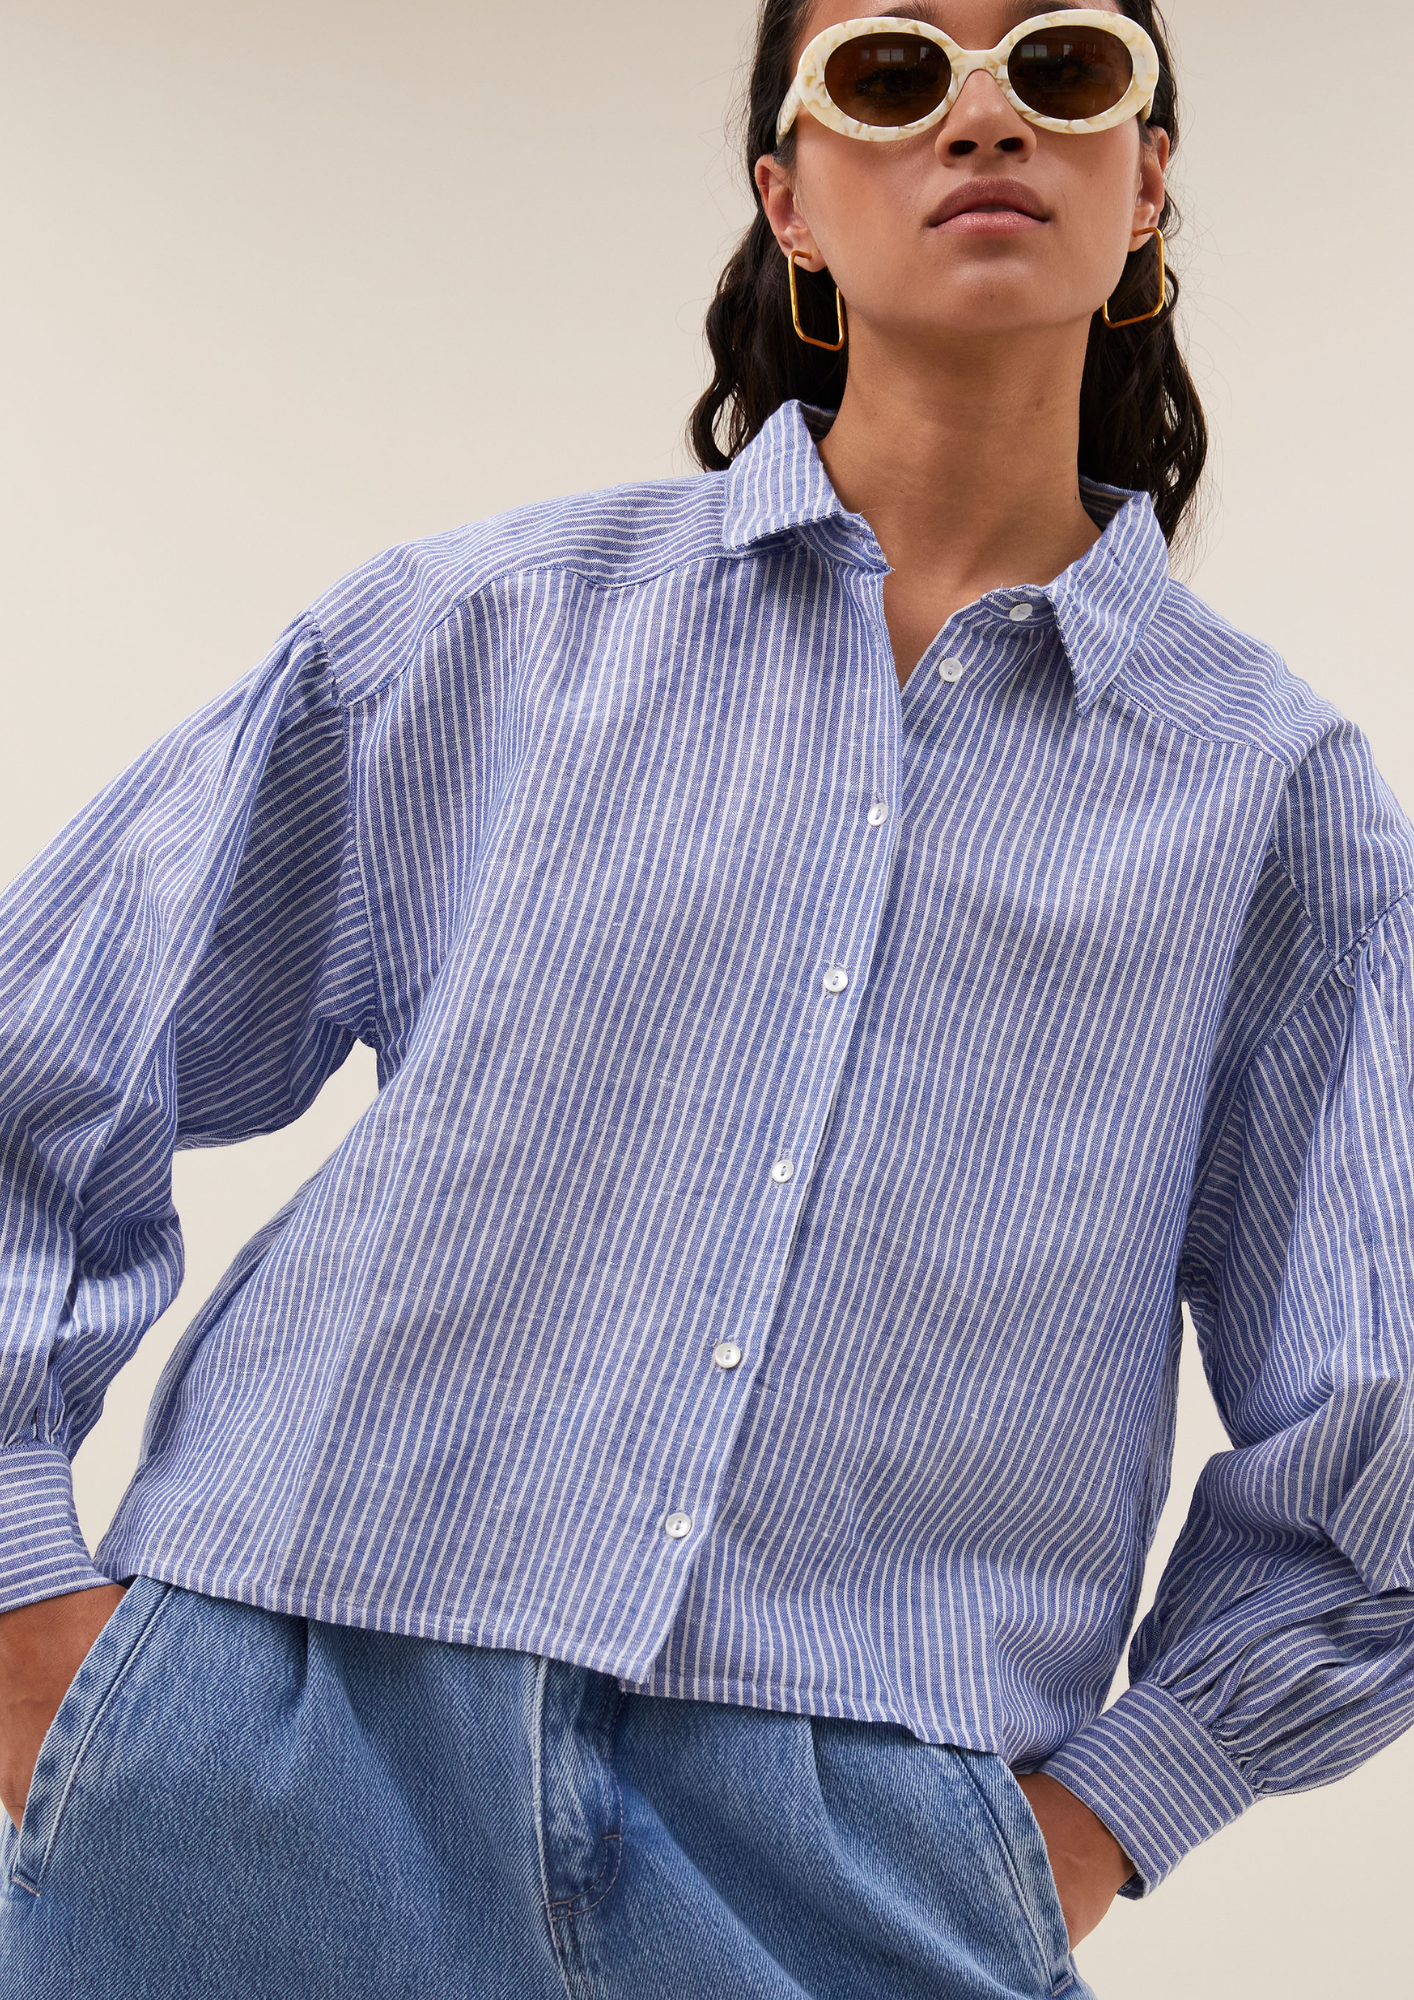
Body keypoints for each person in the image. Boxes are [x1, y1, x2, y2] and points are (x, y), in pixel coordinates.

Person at [1, 2, 1410, 1994]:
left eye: (1061, 69)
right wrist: (25, 1616)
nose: (983, 119)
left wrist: (1117, 1806)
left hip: (853, 1850)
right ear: (788, 202)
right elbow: (39, 1068)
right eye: (893, 75)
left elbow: (1375, 1389)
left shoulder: (1265, 792)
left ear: (1144, 180)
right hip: (277, 1755)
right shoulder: (489, 631)